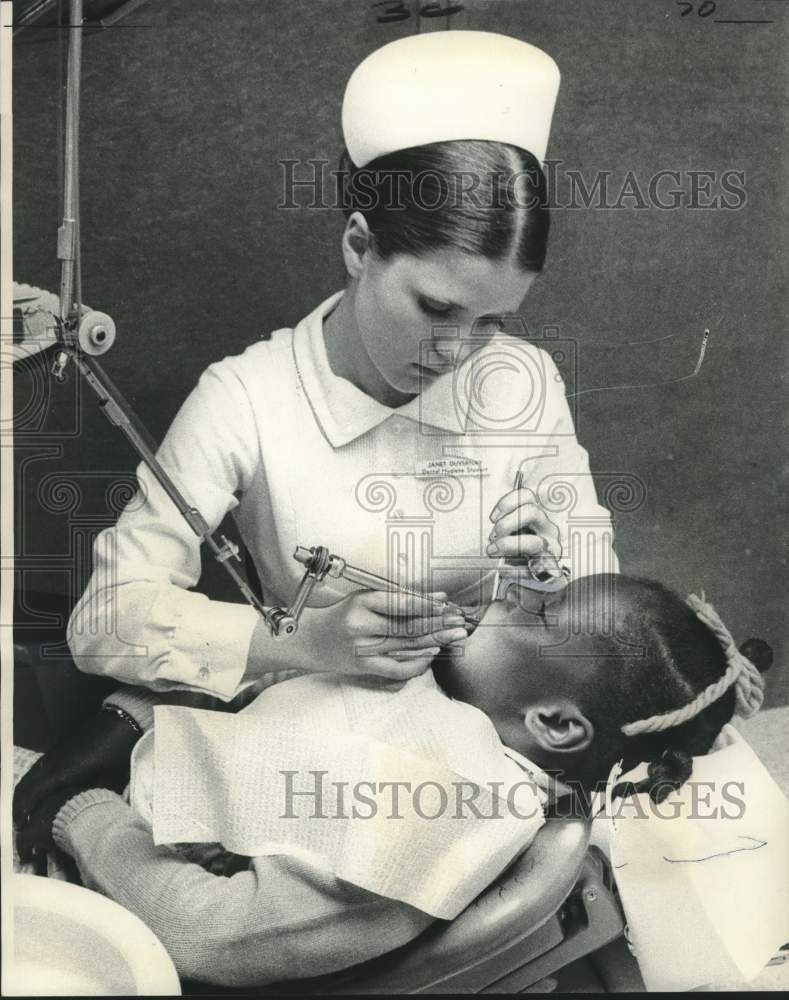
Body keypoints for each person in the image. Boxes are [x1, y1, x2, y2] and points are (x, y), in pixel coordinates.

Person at [64, 31, 618, 703]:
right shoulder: (247, 397)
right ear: (360, 245)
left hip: (491, 711)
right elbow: (103, 620)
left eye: (490, 322)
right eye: (434, 307)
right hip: (317, 717)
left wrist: (551, 581)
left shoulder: (519, 380)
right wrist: (301, 642)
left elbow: (602, 608)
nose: (455, 352)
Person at [15, 574, 764, 988]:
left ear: (554, 725)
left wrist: (83, 816)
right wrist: (138, 717)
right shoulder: (458, 701)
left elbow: (204, 935)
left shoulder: (441, 815)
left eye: (536, 611)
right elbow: (277, 711)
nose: (503, 594)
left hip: (119, 887)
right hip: (130, 801)